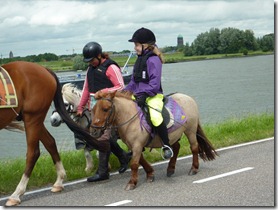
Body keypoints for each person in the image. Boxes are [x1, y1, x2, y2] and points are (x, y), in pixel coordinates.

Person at [77, 41, 131, 182]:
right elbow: (86, 90)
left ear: (99, 56)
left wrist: (104, 92)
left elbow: (120, 86)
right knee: (102, 136)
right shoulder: (90, 69)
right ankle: (123, 156)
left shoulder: (111, 67)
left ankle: (102, 172)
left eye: (92, 60)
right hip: (95, 107)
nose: (91, 63)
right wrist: (80, 107)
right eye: (88, 61)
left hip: (109, 107)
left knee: (102, 137)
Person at [124, 27, 173, 160]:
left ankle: (166, 145)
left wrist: (144, 95)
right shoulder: (139, 60)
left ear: (145, 45)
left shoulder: (154, 60)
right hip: (139, 94)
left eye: (136, 45)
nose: (135, 48)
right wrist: (123, 91)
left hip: (153, 95)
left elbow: (154, 85)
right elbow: (134, 81)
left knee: (155, 116)